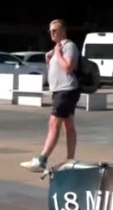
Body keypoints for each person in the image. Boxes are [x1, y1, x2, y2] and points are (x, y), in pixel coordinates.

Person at [21, 20, 81, 173]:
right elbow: (56, 70)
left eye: (55, 30)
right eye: (50, 31)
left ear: (63, 31)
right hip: (59, 91)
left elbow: (68, 67)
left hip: (66, 90)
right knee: (68, 125)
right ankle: (70, 160)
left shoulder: (69, 46)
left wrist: (58, 53)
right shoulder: (56, 48)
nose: (52, 33)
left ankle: (42, 160)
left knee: (54, 122)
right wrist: (49, 61)